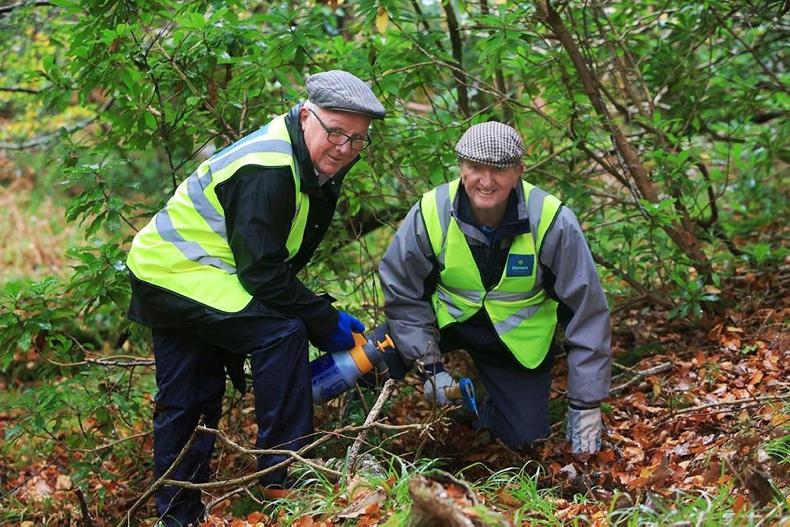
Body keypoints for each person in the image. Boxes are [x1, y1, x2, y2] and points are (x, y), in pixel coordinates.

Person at [125, 70, 385, 526]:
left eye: (357, 139)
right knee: (281, 333)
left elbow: (267, 262)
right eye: (336, 132)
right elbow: (264, 273)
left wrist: (321, 318)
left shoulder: (309, 157)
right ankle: (286, 475)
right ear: (307, 115)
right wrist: (325, 322)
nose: (344, 148)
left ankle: (179, 515)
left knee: (189, 398)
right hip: (178, 272)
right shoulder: (270, 166)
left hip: (183, 273)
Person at [379, 122, 611, 454]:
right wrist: (429, 367)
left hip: (518, 342)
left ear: (518, 170)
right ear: (461, 167)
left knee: (525, 442)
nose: (486, 182)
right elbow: (402, 291)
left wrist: (586, 404)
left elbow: (587, 312)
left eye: (499, 169)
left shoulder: (550, 219)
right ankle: (358, 434)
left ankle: (481, 404)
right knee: (374, 357)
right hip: (448, 323)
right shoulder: (432, 211)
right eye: (475, 168)